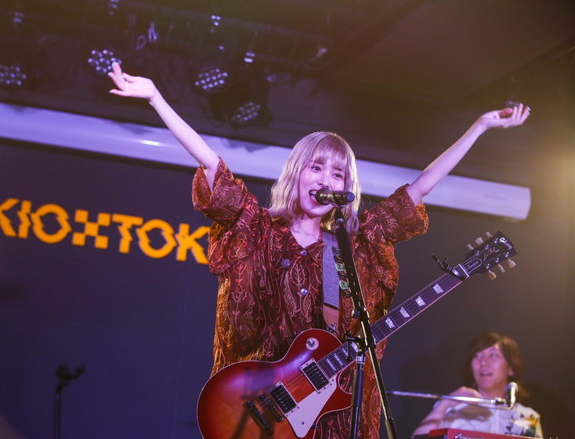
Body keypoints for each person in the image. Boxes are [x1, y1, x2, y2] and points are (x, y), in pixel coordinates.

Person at [108, 62, 530, 439]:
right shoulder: (259, 229)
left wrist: (478, 127)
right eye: (316, 167)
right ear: (298, 172)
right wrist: (156, 98)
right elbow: (213, 166)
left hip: (333, 416)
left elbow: (418, 189)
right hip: (262, 409)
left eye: (337, 173)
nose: (326, 179)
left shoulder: (353, 243)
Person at [412, 331, 543, 438]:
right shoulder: (453, 409)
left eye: (493, 355)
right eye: (477, 356)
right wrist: (444, 404)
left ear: (511, 368)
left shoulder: (528, 417)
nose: (483, 362)